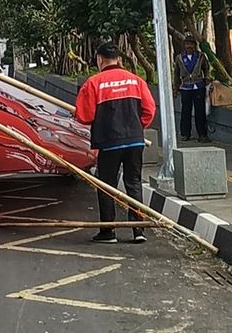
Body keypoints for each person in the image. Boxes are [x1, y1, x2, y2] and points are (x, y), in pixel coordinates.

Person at [75, 42, 156, 244]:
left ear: (99, 60)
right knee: (134, 183)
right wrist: (137, 128)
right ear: (119, 59)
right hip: (134, 141)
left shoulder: (93, 83)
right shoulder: (136, 81)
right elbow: (149, 110)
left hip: (109, 142)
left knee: (106, 185)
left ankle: (108, 231)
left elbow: (84, 116)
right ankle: (138, 229)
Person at [173, 35, 212, 143]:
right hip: (185, 87)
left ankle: (202, 134)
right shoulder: (179, 57)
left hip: (198, 85)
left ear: (195, 46)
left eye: (191, 44)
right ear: (184, 45)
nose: (189, 46)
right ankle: (185, 134)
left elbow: (206, 68)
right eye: (187, 44)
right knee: (186, 111)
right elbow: (176, 74)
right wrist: (175, 88)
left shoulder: (200, 56)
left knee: (200, 111)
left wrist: (207, 77)